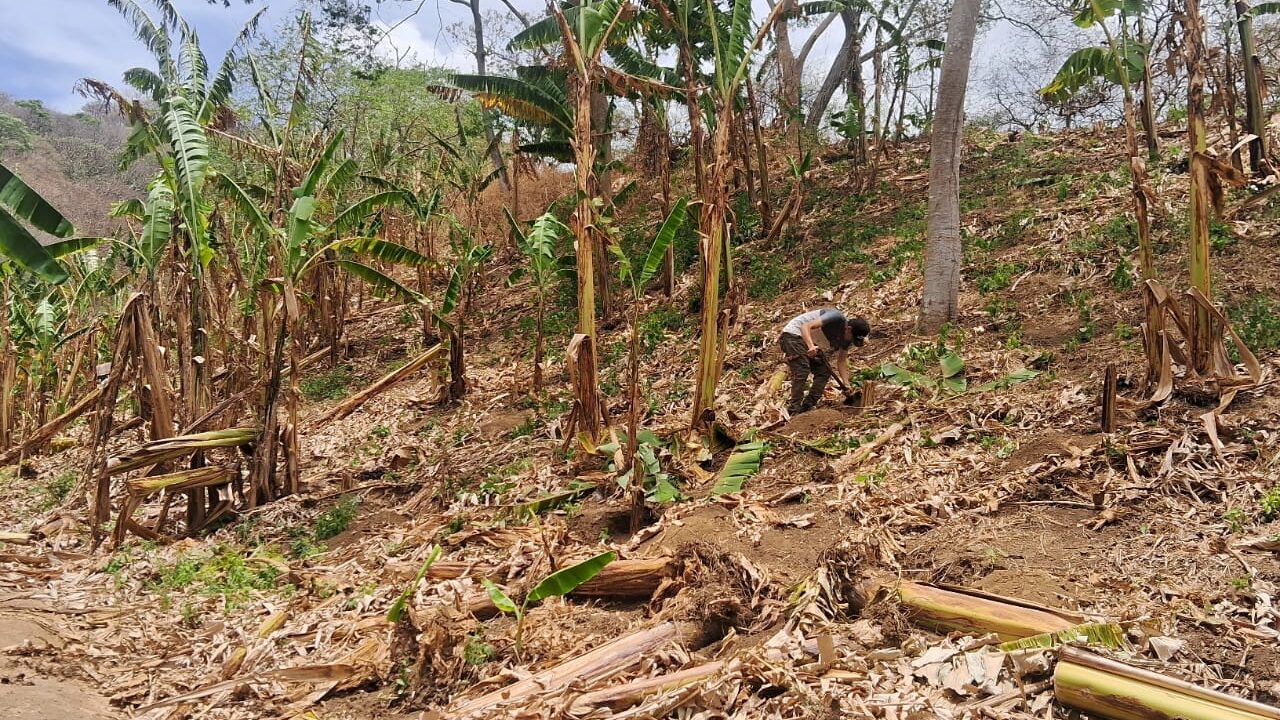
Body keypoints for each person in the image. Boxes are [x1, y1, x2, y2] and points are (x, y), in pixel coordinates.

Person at [777, 308, 870, 414]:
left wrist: (846, 384)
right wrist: (811, 347)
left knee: (824, 372)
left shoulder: (848, 339)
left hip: (811, 341)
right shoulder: (835, 317)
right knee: (802, 369)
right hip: (793, 334)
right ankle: (794, 408)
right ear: (848, 329)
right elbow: (805, 326)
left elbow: (841, 362)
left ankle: (807, 406)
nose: (851, 341)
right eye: (853, 338)